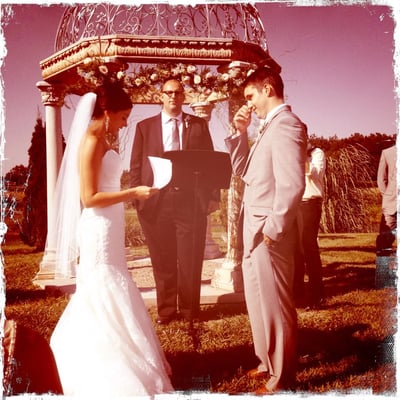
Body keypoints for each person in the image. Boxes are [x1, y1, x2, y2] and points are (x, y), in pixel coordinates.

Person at [49, 84, 173, 396]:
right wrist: (133, 193)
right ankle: (105, 361)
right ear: (106, 112)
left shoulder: (102, 138)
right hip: (98, 226)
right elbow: (89, 197)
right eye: (122, 116)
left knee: (115, 281)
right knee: (103, 285)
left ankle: (125, 351)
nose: (125, 123)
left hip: (111, 223)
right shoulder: (90, 141)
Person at [225, 67, 307, 393]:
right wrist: (239, 132)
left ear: (268, 88)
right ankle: (267, 361)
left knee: (276, 304)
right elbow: (243, 170)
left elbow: (292, 185)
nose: (248, 104)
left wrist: (273, 230)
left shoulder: (287, 125)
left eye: (250, 96)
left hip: (268, 232)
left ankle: (283, 378)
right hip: (253, 228)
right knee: (258, 300)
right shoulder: (265, 127)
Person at [130, 79, 215, 324]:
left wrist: (211, 197)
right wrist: (138, 198)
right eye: (168, 93)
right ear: (161, 96)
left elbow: (209, 162)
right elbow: (136, 165)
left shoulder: (197, 125)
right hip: (156, 202)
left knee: (190, 259)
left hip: (190, 201)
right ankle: (166, 311)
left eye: (178, 93)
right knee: (162, 259)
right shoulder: (145, 127)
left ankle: (190, 311)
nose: (173, 97)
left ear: (184, 96)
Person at [293, 143, 326, 308]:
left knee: (309, 248)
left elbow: (314, 173)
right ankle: (296, 294)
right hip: (293, 204)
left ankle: (316, 295)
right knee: (295, 250)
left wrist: (299, 153)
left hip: (309, 203)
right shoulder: (290, 153)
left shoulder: (317, 153)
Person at [376, 144, 397, 252]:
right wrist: (387, 196)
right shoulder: (387, 152)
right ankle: (383, 268)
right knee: (385, 240)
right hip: (391, 204)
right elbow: (381, 179)